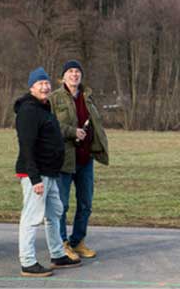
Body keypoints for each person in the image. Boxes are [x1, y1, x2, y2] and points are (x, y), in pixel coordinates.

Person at [14, 66, 82, 277]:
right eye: (40, 84)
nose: (45, 87)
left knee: (55, 213)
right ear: (31, 87)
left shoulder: (44, 108)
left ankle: (57, 255)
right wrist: (34, 178)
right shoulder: (28, 111)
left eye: (46, 83)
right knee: (32, 217)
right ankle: (28, 261)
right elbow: (26, 146)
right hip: (36, 174)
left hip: (51, 173)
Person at [49, 59, 109, 260]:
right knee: (62, 205)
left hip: (85, 159)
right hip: (65, 160)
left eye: (77, 71)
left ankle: (78, 241)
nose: (74, 75)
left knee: (86, 203)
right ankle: (62, 244)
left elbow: (96, 125)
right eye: (70, 71)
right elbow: (49, 127)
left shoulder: (87, 98)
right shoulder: (54, 99)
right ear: (63, 76)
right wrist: (71, 131)